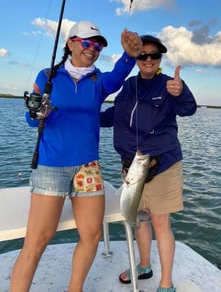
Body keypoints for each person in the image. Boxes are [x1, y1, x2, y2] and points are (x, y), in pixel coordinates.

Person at [10, 21, 143, 292]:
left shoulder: (98, 81)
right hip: (51, 166)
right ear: (70, 42)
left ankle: (75, 289)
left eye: (98, 46)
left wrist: (130, 55)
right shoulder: (47, 76)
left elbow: (117, 76)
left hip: (88, 167)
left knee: (92, 235)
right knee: (38, 239)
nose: (93, 49)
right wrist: (38, 113)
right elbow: (31, 120)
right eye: (87, 43)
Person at [100, 35, 197, 292]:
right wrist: (84, 116)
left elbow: (188, 109)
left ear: (160, 59)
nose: (149, 59)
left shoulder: (169, 85)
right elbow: (113, 116)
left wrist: (182, 91)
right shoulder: (128, 85)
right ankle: (144, 266)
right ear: (136, 58)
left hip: (162, 164)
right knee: (139, 219)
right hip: (131, 167)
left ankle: (166, 283)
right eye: (143, 55)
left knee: (161, 222)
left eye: (154, 55)